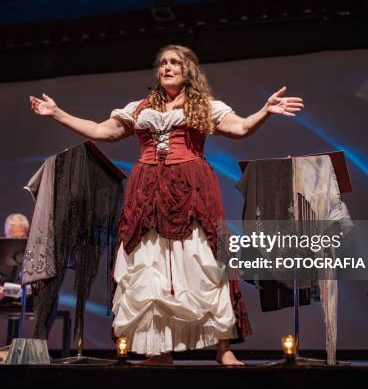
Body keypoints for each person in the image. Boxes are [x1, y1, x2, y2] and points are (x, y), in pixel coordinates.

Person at [29, 45, 304, 365]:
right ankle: (160, 351)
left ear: (188, 71)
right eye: (163, 63)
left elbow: (240, 128)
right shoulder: (139, 108)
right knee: (150, 265)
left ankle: (223, 347)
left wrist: (265, 111)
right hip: (146, 190)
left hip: (191, 187)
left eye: (175, 63)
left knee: (203, 260)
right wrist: (58, 113)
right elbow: (103, 131)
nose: (168, 68)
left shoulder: (204, 106)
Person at [0, 213, 53, 353]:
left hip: (28, 296)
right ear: (6, 234)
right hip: (1, 297)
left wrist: (36, 287)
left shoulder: (36, 251)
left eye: (22, 238)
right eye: (14, 238)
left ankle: (39, 348)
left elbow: (43, 279)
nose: (18, 242)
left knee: (51, 297)